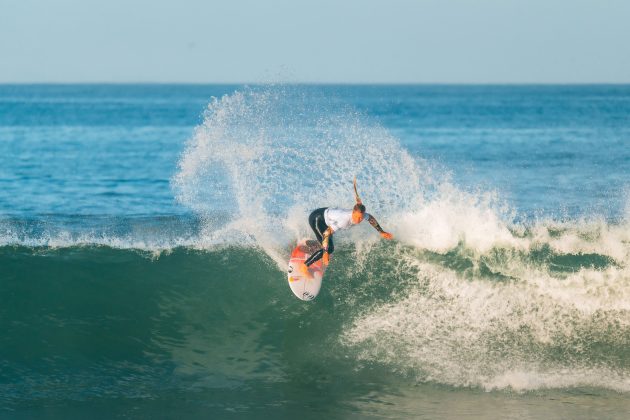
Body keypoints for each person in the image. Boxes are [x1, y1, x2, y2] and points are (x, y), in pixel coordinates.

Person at [299, 178, 393, 277]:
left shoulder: (361, 213)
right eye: (357, 217)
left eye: (361, 218)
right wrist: (326, 252)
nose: (359, 220)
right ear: (353, 212)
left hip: (326, 215)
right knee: (329, 248)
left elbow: (370, 218)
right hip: (317, 219)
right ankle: (304, 267)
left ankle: (314, 246)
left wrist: (381, 231)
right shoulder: (344, 220)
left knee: (326, 242)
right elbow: (326, 233)